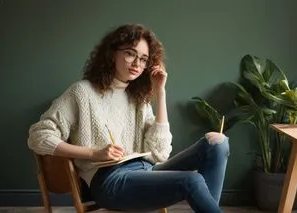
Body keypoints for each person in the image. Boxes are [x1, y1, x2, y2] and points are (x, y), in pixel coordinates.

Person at [27, 23, 229, 213]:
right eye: (130, 54)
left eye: (143, 59)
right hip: (111, 181)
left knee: (218, 144)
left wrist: (160, 91)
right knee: (192, 180)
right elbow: (38, 136)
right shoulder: (82, 92)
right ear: (112, 54)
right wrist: (93, 153)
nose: (137, 64)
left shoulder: (139, 100)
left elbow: (159, 154)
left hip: (147, 171)